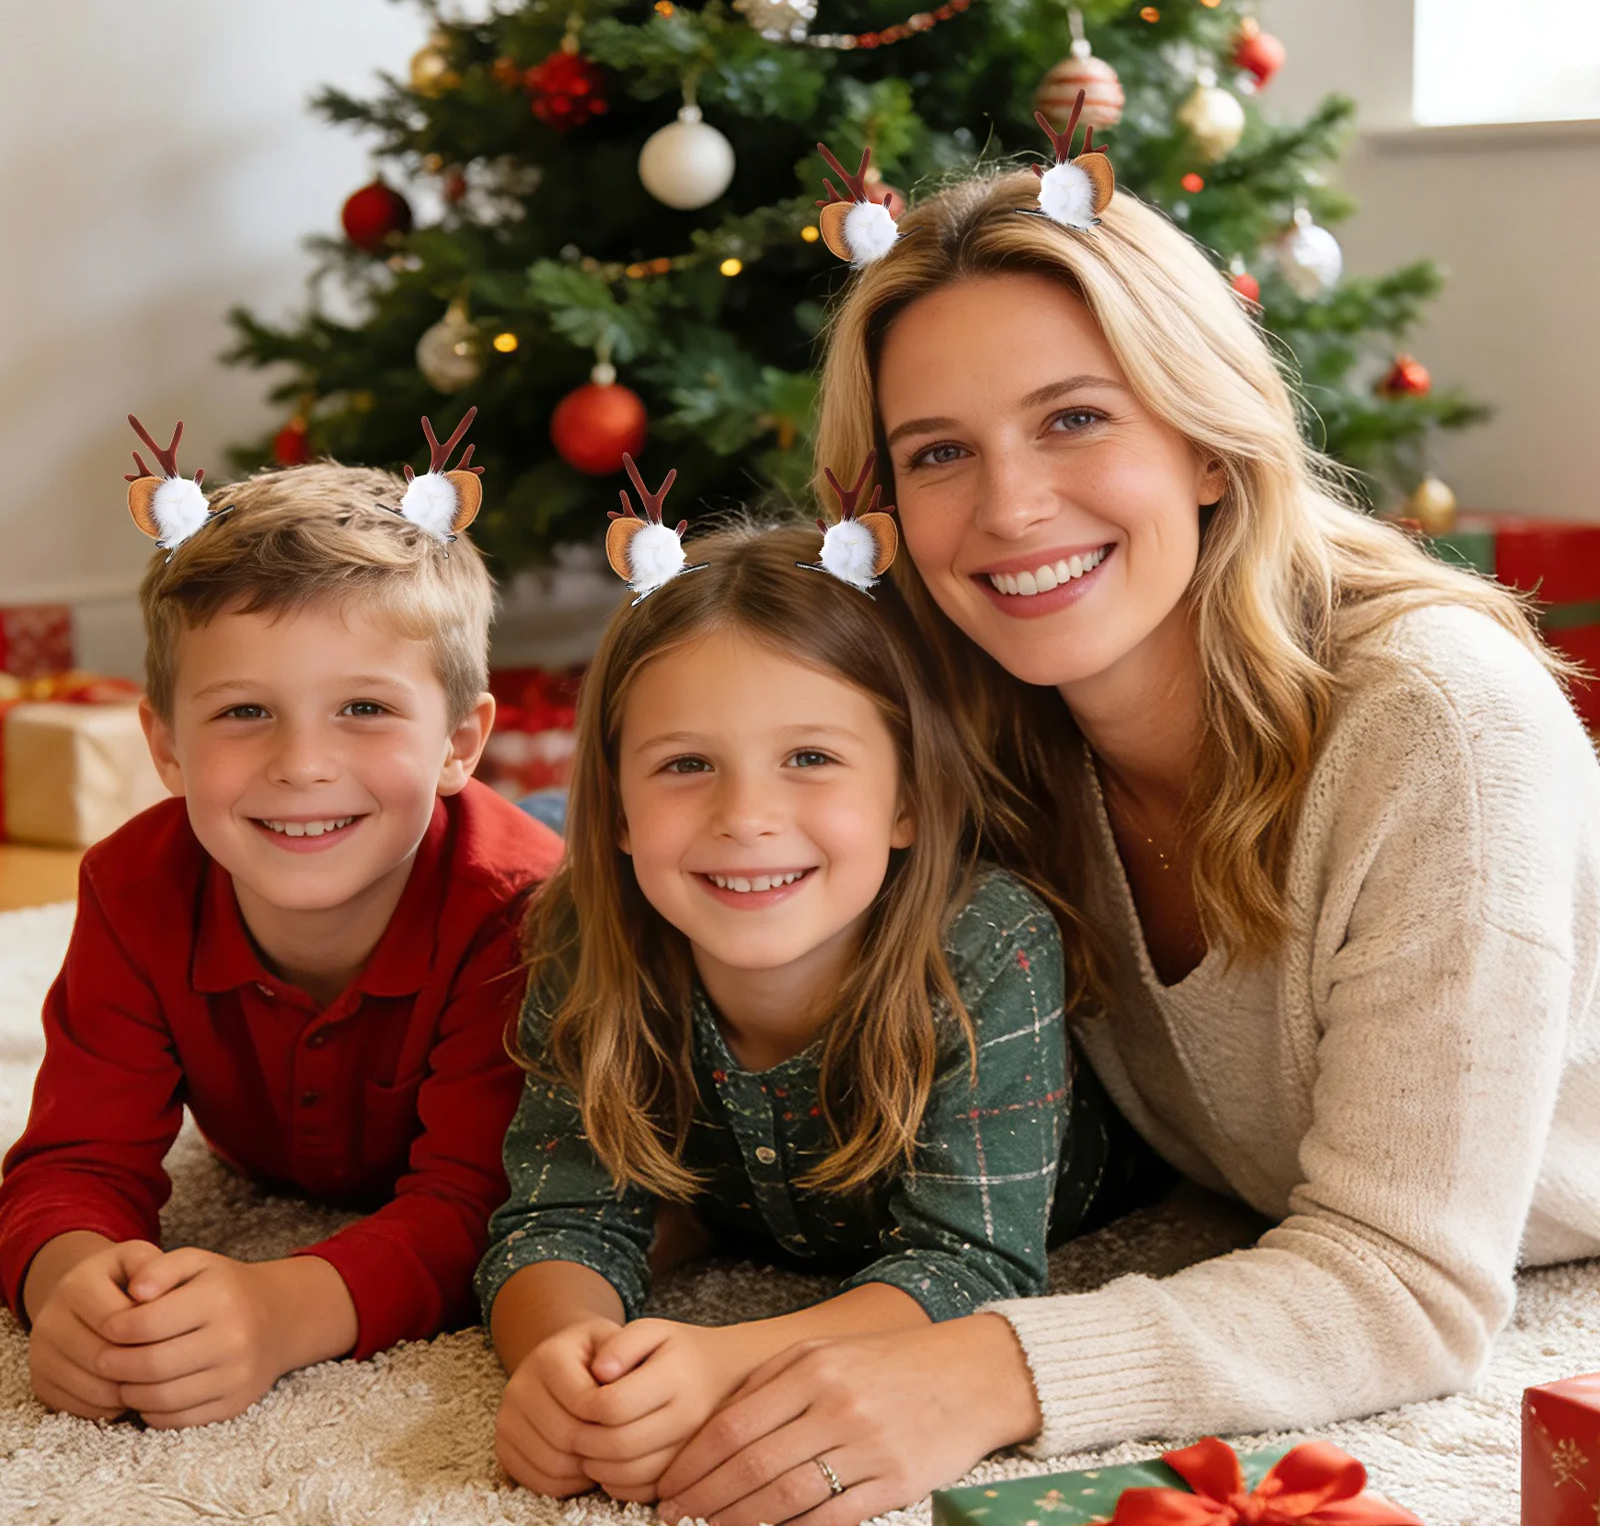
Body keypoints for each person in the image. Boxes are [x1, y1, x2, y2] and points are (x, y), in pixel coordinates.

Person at [652, 165, 1600, 1526]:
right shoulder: (969, 712)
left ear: (1208, 442)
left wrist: (970, 1379)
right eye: (938, 453)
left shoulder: (1439, 725)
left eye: (1075, 420)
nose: (1012, 508)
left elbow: (1406, 1285)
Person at [478, 507, 1135, 1503]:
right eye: (686, 763)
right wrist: (569, 1362)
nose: (746, 817)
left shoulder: (987, 944)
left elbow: (969, 1265)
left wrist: (724, 1362)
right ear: (612, 807)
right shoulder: (581, 934)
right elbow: (559, 1215)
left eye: (811, 758)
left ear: (907, 797)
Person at [0, 430, 563, 1430]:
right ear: (166, 746)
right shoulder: (132, 887)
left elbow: (488, 1204)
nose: (303, 763)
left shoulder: (520, 914)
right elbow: (73, 1161)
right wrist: (70, 1284)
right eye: (246, 712)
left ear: (461, 742)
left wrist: (279, 1310)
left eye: (363, 706)